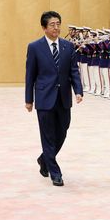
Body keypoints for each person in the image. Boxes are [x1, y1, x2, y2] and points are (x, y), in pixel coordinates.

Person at [25, 11, 83, 187]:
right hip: (44, 97)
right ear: (44, 27)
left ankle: (44, 159)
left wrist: (78, 91)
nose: (56, 27)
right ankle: (55, 172)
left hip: (63, 97)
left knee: (63, 131)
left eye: (58, 24)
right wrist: (29, 99)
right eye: (52, 24)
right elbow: (30, 75)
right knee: (48, 135)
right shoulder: (35, 47)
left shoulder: (68, 46)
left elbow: (74, 70)